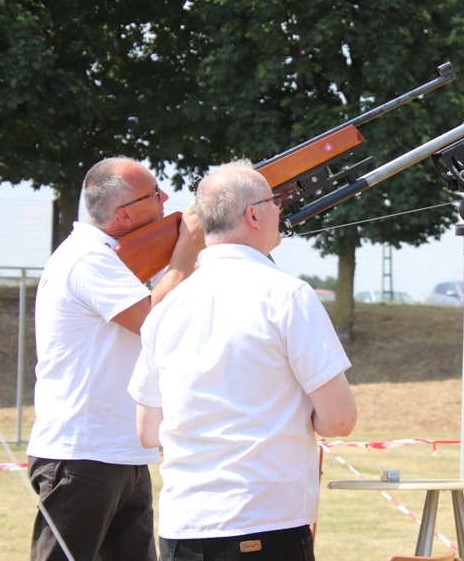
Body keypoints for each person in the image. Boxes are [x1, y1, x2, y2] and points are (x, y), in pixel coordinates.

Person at [128, 160, 357, 561]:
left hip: (184, 525)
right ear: (253, 214)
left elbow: (148, 431)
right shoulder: (289, 296)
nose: (280, 209)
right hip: (265, 521)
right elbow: (340, 419)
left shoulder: (165, 307)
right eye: (275, 201)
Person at [28, 157, 205, 561]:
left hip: (116, 450)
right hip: (83, 452)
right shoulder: (89, 258)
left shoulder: (108, 258)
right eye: (154, 194)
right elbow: (154, 321)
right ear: (124, 214)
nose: (165, 198)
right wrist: (184, 254)